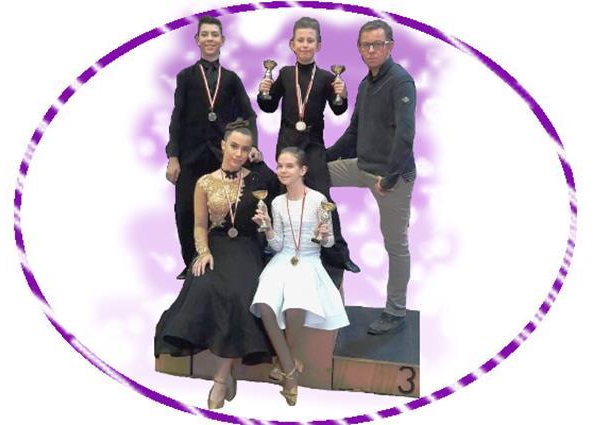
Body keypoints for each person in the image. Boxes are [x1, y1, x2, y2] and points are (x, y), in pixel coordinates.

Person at [154, 121, 273, 410]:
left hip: (246, 247)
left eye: (245, 149)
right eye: (234, 146)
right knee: (204, 284)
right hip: (216, 245)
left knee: (241, 294)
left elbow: (282, 183)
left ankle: (221, 378)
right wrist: (203, 251)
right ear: (223, 145)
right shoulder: (204, 182)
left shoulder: (258, 179)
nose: (239, 154)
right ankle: (226, 373)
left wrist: (261, 161)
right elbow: (199, 225)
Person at [326, 20, 417, 335]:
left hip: (393, 176)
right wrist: (318, 158)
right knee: (313, 175)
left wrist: (390, 179)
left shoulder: (401, 82)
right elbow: (353, 133)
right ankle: (331, 248)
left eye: (378, 44)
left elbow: (405, 136)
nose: (372, 50)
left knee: (395, 244)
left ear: (390, 46)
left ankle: (396, 311)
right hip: (363, 166)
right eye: (366, 45)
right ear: (359, 48)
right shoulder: (366, 84)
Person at [165, 16, 268, 280]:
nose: (210, 38)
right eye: (205, 34)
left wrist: (253, 145)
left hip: (222, 156)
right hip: (190, 156)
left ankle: (224, 257)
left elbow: (249, 115)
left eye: (214, 34)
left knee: (229, 209)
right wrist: (173, 156)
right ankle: (192, 261)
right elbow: (177, 118)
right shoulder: (185, 77)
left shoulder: (231, 79)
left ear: (222, 40)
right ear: (197, 39)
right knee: (185, 210)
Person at [257, 16, 361, 275]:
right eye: (300, 40)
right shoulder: (284, 74)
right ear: (292, 44)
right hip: (288, 142)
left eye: (310, 41)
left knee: (323, 196)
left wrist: (341, 95)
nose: (305, 45)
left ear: (318, 45)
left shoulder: (326, 77)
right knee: (282, 194)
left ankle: (337, 253)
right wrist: (263, 92)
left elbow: (338, 110)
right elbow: (269, 106)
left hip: (313, 144)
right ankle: (274, 246)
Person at [250, 147, 349, 406]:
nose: (283, 170)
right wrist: (268, 228)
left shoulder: (318, 199)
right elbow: (277, 245)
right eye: (280, 165)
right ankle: (290, 367)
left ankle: (286, 370)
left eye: (289, 166)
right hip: (283, 259)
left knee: (295, 304)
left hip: (308, 260)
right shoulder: (276, 202)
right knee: (265, 304)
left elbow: (328, 243)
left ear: (303, 170)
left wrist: (323, 235)